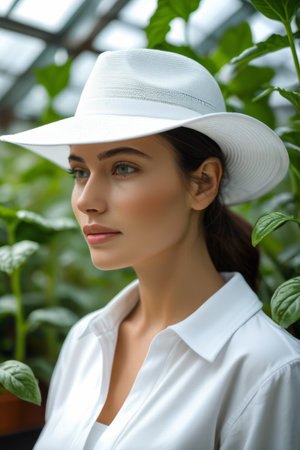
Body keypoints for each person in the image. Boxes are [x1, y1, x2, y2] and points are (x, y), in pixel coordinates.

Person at [1, 49, 299, 450]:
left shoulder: (269, 370)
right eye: (79, 171)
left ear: (203, 184)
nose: (87, 200)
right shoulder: (84, 340)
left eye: (123, 168)